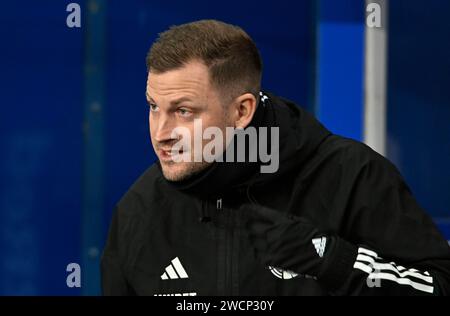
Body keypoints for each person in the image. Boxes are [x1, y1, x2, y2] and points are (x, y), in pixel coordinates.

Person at [101, 19, 450, 296]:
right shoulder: (140, 210)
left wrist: (332, 260)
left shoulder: (352, 176)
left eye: (184, 111)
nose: (161, 132)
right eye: (153, 107)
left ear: (241, 111)